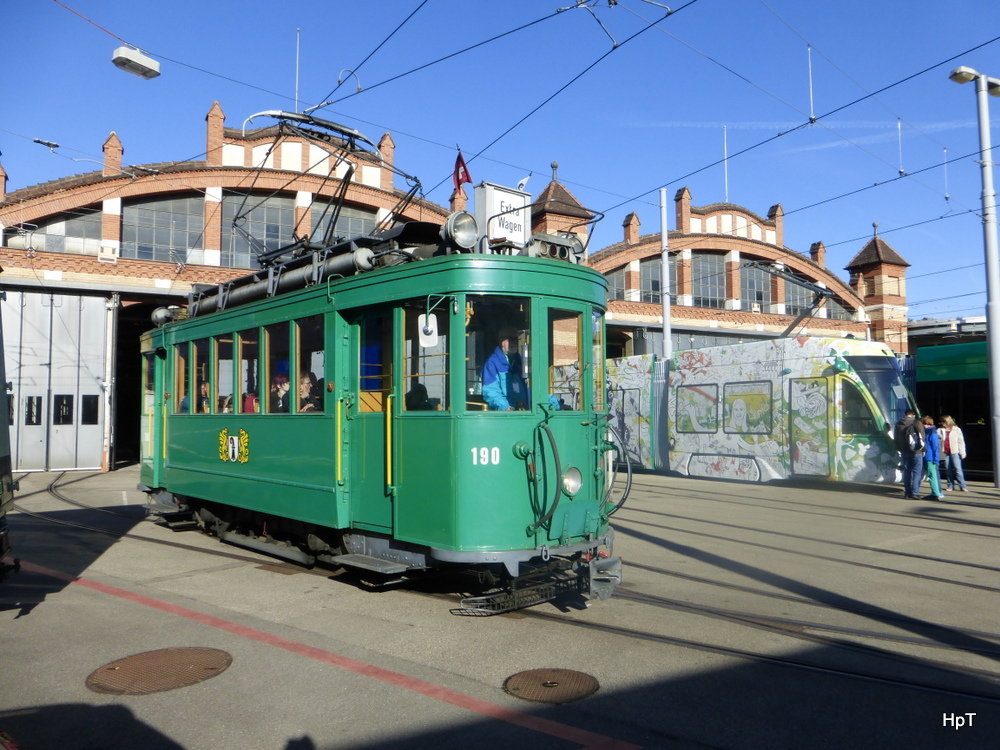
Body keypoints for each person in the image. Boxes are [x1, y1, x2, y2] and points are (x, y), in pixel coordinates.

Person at [482, 327, 528, 411]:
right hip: (505, 416)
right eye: (510, 339)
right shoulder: (492, 363)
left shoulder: (522, 361)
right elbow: (491, 391)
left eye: (516, 339)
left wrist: (553, 402)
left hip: (524, 412)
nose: (514, 342)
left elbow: (533, 388)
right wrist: (506, 408)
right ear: (500, 342)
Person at [893, 408, 925, 499]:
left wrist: (900, 449)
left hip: (904, 451)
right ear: (913, 415)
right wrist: (923, 449)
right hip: (916, 451)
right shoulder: (917, 422)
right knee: (916, 472)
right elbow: (922, 437)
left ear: (905, 414)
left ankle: (907, 493)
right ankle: (915, 492)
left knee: (907, 472)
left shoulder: (899, 424)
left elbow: (896, 439)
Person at [937, 415, 968, 492]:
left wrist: (963, 452)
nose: (943, 423)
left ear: (948, 422)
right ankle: (950, 485)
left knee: (958, 469)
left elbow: (961, 441)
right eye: (942, 422)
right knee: (948, 469)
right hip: (945, 452)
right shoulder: (939, 430)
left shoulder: (956, 430)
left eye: (944, 422)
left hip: (955, 451)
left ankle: (962, 486)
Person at [920, 416, 945, 500]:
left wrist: (936, 459)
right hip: (929, 457)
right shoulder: (931, 431)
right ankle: (936, 492)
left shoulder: (931, 432)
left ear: (926, 424)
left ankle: (935, 493)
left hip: (930, 457)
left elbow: (935, 447)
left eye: (923, 423)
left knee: (932, 475)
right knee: (932, 475)